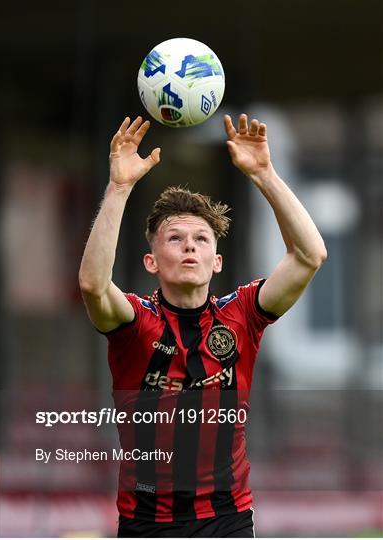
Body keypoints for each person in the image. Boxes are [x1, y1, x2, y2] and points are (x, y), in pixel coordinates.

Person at [79, 114, 327, 537]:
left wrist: (264, 173)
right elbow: (93, 285)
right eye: (175, 238)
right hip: (147, 523)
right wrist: (120, 188)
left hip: (228, 520)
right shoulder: (135, 322)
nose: (189, 245)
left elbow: (310, 255)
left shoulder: (242, 313)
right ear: (151, 262)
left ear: (217, 261)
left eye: (201, 239)